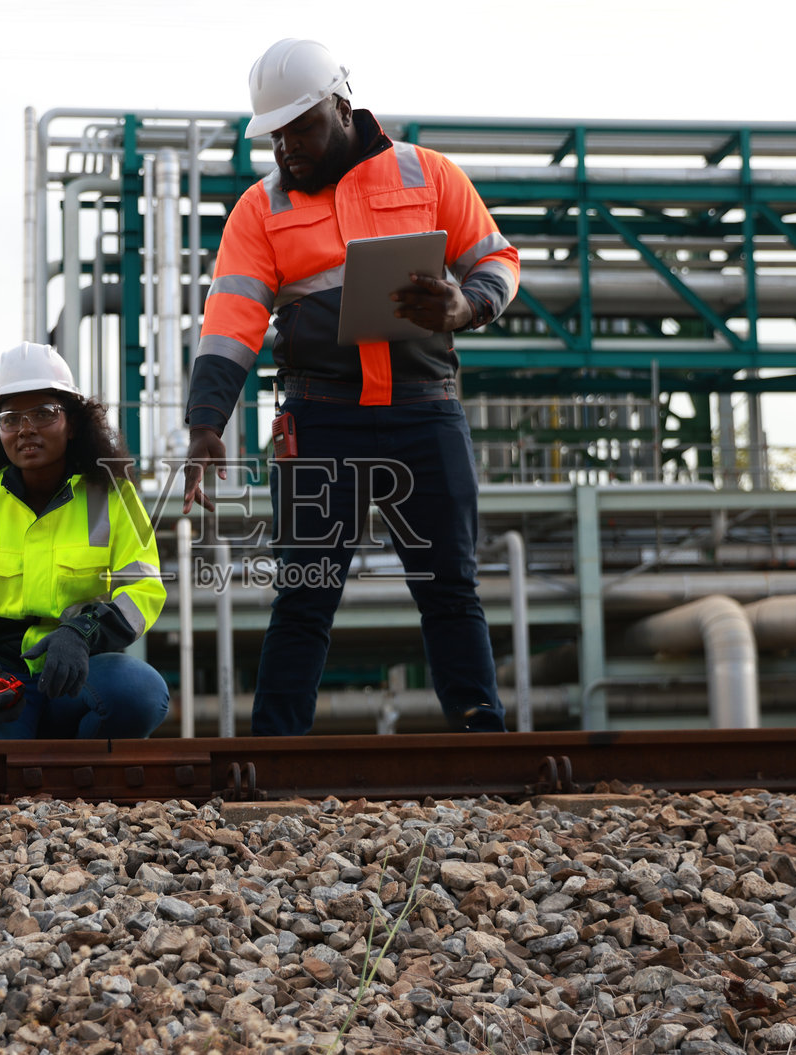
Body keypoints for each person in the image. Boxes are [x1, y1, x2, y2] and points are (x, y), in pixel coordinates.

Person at [183, 38, 520, 736]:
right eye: (276, 138)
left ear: (341, 106)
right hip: (319, 422)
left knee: (450, 588)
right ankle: (274, 756)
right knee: (304, 596)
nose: (286, 151)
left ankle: (483, 740)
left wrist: (467, 305)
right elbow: (230, 322)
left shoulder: (428, 175)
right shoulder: (259, 210)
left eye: (300, 130)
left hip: (425, 414)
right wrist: (206, 422)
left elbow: (496, 259)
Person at [0, 342, 169, 740]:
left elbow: (144, 589)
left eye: (43, 414)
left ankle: (85, 776)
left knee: (141, 692)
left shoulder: (115, 497)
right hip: (4, 679)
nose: (26, 429)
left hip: (83, 671)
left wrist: (83, 633)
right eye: (11, 418)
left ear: (72, 423)